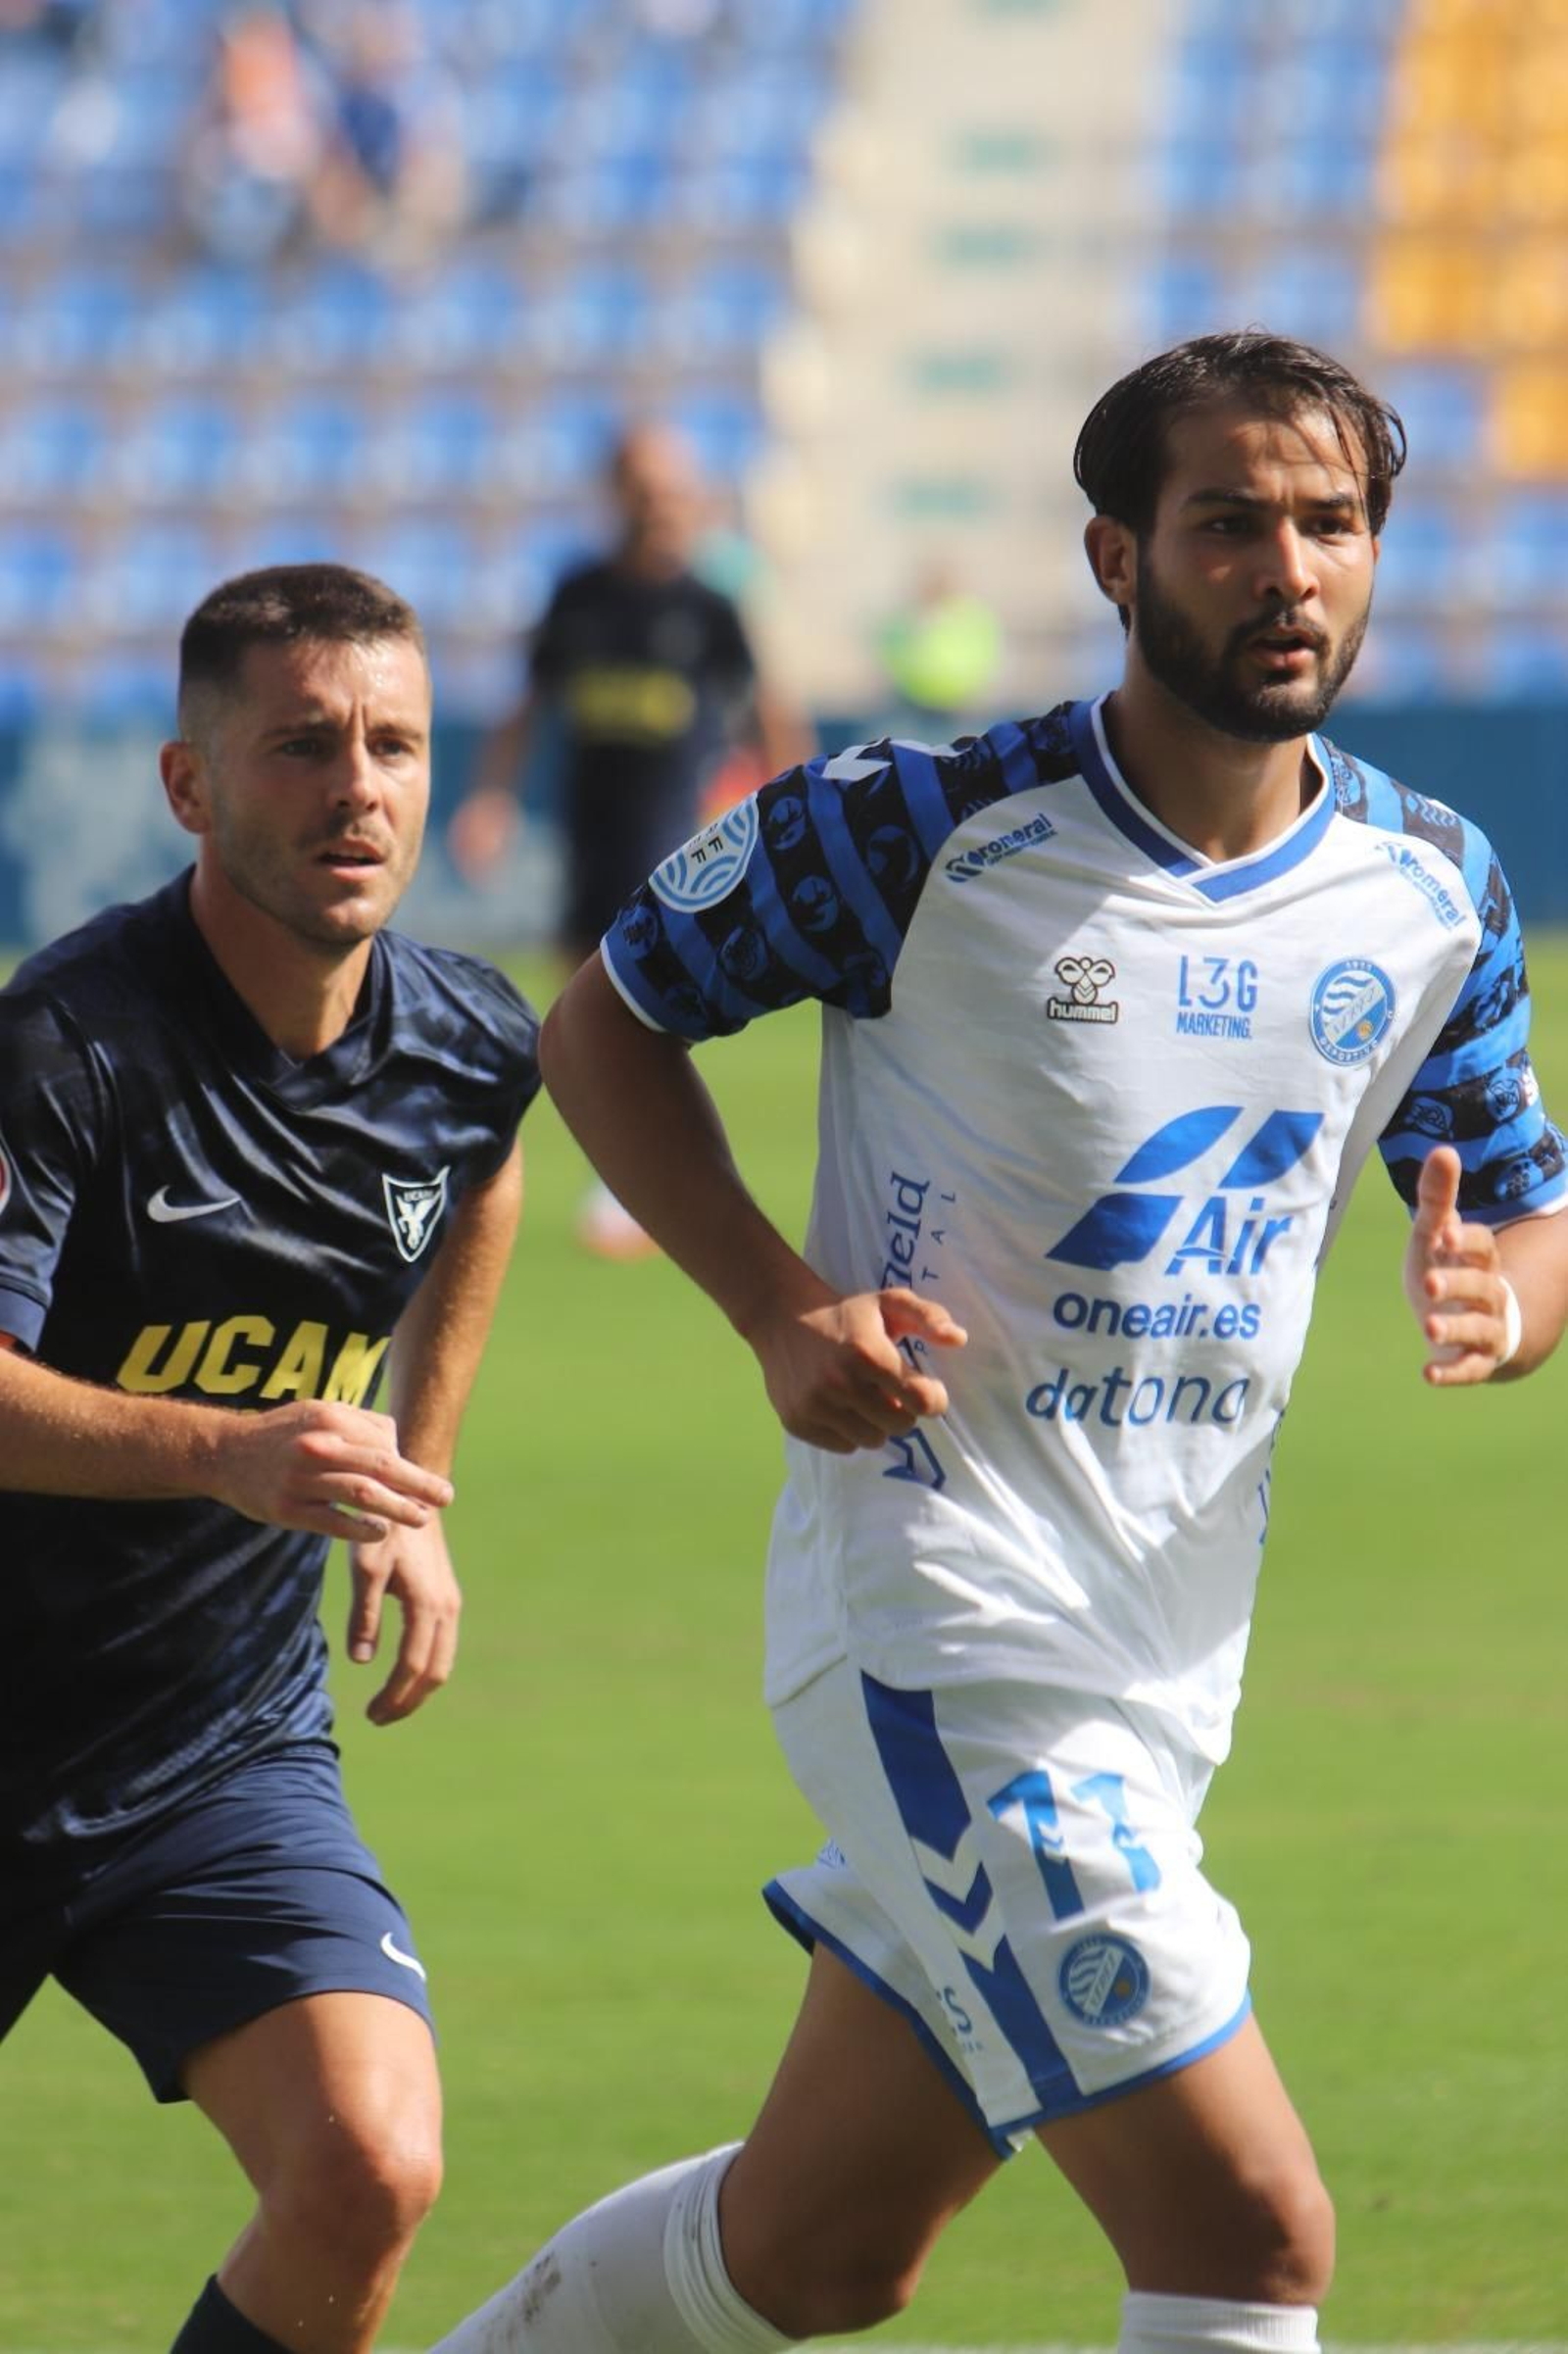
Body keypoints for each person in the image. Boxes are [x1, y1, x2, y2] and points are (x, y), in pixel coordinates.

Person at [427, 330, 1568, 2354]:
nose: (1284, 569)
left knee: (813, 2250)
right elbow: (601, 1018)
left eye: (1327, 525)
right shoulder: (916, 825)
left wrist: (1506, 1295)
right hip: (938, 1626)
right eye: (1226, 523)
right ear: (1114, 557)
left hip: (1162, 1664)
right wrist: (780, 1308)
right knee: (1249, 2228)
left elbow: (1520, 1192)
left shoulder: (1428, 891)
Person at [0, 564, 541, 2354]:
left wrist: (416, 1482)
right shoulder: (63, 1046)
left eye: (393, 742)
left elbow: (487, 1181)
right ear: (190, 785)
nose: (360, 787)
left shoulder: (464, 1044)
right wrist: (231, 1451)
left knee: (369, 2162)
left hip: (205, 1758)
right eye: (303, 743)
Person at [447, 419, 810, 1257]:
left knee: (645, 1012)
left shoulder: (709, 606)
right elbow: (526, 705)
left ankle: (635, 1188)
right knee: (576, 1011)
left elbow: (768, 708)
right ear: (618, 497)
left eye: (675, 491)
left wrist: (797, 800)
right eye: (647, 491)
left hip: (677, 846)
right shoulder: (580, 596)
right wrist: (491, 800)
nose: (663, 507)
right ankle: (616, 1177)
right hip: (589, 832)